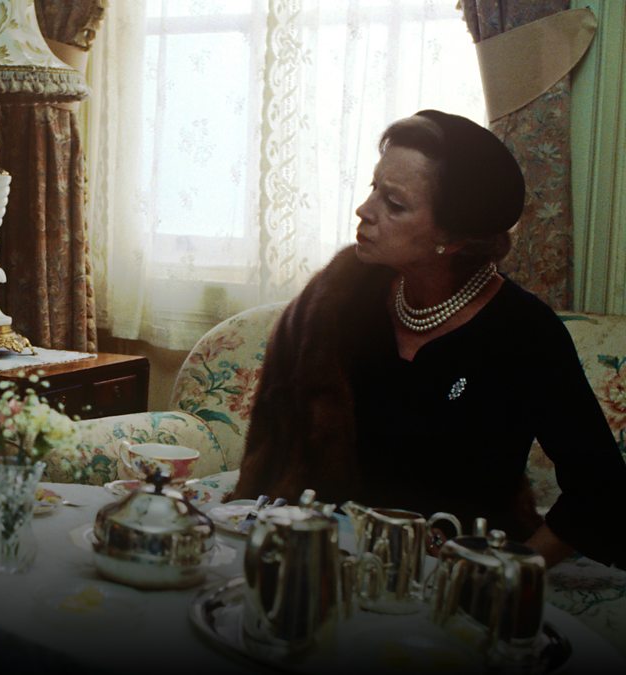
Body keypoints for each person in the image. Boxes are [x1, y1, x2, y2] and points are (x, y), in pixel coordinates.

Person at [233, 109, 626, 568]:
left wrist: (504, 574)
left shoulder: (524, 332)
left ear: (454, 238)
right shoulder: (341, 295)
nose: (365, 210)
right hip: (329, 557)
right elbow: (277, 442)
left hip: (459, 570)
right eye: (374, 188)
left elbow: (600, 490)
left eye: (394, 203)